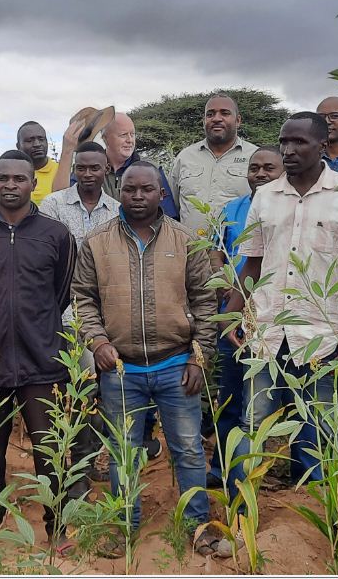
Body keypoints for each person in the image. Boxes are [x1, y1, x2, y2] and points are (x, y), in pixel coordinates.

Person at [72, 162, 225, 557]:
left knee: (189, 448)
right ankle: (125, 525)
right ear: (119, 192)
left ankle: (197, 525)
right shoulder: (95, 241)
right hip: (119, 367)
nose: (137, 196)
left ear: (162, 194)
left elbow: (206, 302)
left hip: (176, 364)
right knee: (124, 451)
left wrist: (199, 357)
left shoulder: (187, 240)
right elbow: (83, 297)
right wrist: (97, 341)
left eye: (146, 190)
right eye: (129, 189)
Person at [225, 112, 338, 482]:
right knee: (254, 422)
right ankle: (242, 509)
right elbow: (252, 263)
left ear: (323, 145)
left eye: (298, 142)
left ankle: (321, 515)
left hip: (324, 335)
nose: (288, 150)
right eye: (284, 142)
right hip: (267, 331)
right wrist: (232, 315)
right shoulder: (265, 196)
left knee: (324, 425)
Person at [0, 150, 76, 543]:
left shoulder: (56, 235)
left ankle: (56, 527)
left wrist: (34, 325)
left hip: (42, 357)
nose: (11, 186)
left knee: (49, 449)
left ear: (32, 183)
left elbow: (60, 294)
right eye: (3, 178)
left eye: (19, 179)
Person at [40, 141, 121, 492]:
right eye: (81, 167)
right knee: (74, 389)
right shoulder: (53, 206)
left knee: (105, 390)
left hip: (109, 314)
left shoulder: (119, 211)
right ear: (74, 169)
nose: (88, 173)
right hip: (64, 312)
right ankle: (74, 464)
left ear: (106, 169)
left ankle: (98, 460)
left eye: (95, 167)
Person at [208, 145, 283, 490]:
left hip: (272, 318)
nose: (261, 174)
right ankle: (222, 467)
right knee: (230, 395)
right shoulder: (232, 209)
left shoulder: (285, 210)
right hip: (234, 313)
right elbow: (214, 250)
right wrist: (224, 284)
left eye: (269, 168)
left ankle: (265, 473)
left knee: (263, 403)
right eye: (255, 168)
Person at [170, 94, 254, 234]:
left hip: (237, 251)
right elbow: (173, 208)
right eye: (210, 114)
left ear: (238, 121)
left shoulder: (255, 157)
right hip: (191, 251)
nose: (216, 118)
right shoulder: (184, 157)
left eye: (225, 113)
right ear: (204, 121)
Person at [97, 112, 180, 219]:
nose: (129, 140)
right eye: (123, 135)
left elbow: (168, 216)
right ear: (105, 139)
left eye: (132, 134)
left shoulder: (152, 170)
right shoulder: (89, 171)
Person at [15, 121, 60, 204]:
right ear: (18, 146)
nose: (37, 144)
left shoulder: (61, 172)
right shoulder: (12, 174)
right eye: (29, 140)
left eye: (41, 139)